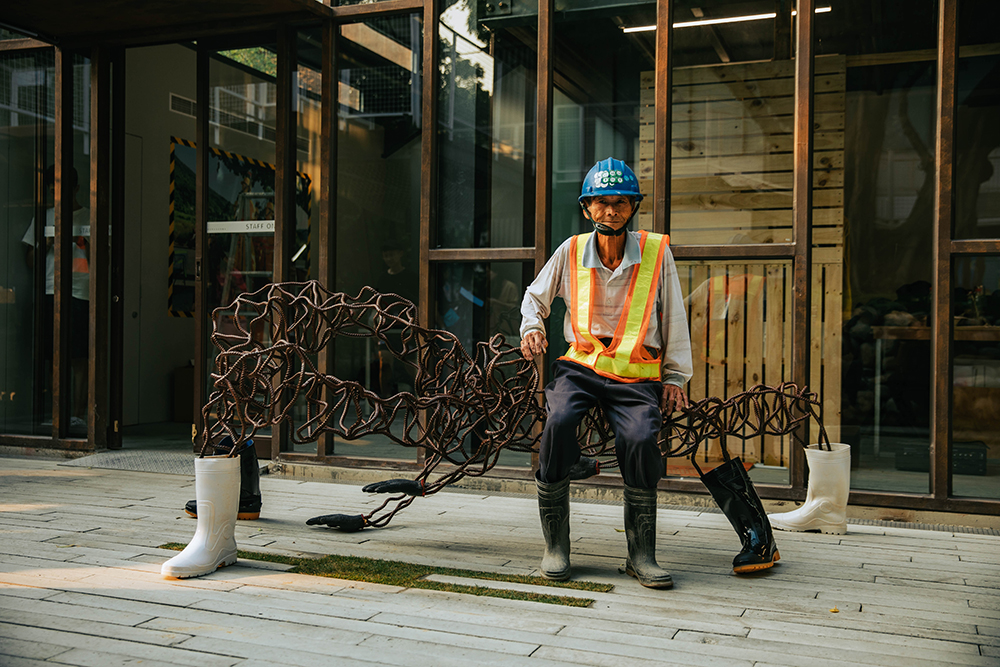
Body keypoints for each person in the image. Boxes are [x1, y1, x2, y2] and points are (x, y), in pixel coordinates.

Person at [519, 157, 693, 589]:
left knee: (639, 438)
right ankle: (556, 548)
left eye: (619, 202)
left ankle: (641, 555)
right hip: (579, 367)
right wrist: (532, 327)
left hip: (635, 375)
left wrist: (675, 378)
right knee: (557, 422)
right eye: (600, 203)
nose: (610, 211)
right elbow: (534, 298)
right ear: (586, 209)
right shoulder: (571, 250)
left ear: (633, 207)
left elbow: (673, 316)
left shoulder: (656, 253)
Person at [21, 166, 90, 431]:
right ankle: (56, 412)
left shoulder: (89, 217)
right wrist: (46, 243)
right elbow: (29, 261)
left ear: (75, 189)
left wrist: (81, 241)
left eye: (61, 190)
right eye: (53, 191)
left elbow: (101, 262)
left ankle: (78, 414)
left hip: (81, 292)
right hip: (51, 291)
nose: (56, 196)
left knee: (79, 356)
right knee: (52, 356)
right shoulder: (44, 218)